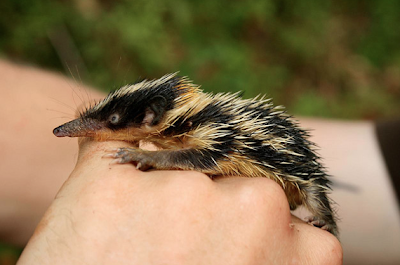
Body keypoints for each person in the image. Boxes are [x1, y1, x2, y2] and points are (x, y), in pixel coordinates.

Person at [0, 59, 394, 264]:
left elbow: (208, 157)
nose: (82, 129)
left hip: (293, 174)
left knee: (311, 193)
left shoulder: (210, 132)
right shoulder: (179, 127)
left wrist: (144, 157)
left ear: (152, 118)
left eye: (111, 122)